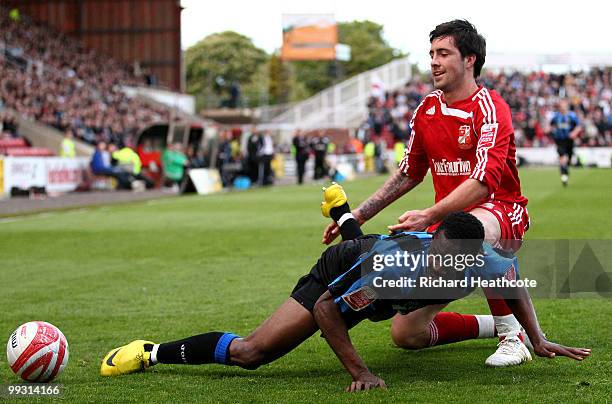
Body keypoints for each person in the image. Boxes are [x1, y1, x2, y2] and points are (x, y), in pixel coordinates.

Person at [100, 184, 590, 392]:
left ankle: (344, 213)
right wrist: (361, 371)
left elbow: (512, 279)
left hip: (379, 262)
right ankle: (151, 352)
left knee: (408, 332)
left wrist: (537, 335)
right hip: (340, 270)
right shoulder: (394, 271)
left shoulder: (477, 259)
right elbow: (327, 310)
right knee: (252, 353)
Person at [322, 20, 531, 367]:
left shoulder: (490, 106)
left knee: (469, 230)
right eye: (432, 53)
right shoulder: (426, 111)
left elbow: (485, 182)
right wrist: (358, 215)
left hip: (501, 212)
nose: (433, 61)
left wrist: (431, 215)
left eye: (443, 53)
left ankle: (514, 335)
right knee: (406, 334)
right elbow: (408, 173)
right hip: (445, 226)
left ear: (470, 59)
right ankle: (492, 326)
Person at [550, 99, 581, 186]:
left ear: (566, 106)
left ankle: (565, 170)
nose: (562, 107)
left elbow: (578, 126)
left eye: (564, 105)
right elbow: (551, 125)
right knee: (562, 157)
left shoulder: (572, 115)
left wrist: (574, 133)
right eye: (561, 105)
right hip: (559, 140)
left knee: (569, 159)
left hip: (569, 140)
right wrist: (550, 129)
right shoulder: (556, 116)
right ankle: (563, 175)